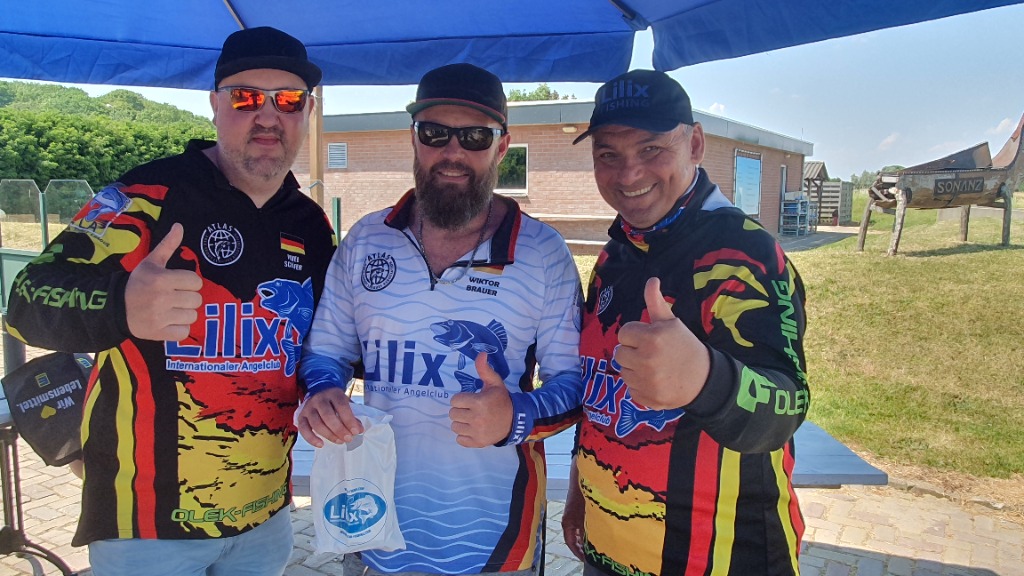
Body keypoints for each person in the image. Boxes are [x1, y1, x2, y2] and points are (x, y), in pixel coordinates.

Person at [6, 26, 336, 576]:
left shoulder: (310, 223)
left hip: (266, 520)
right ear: (215, 104)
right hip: (147, 526)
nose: (268, 115)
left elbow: (323, 340)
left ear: (306, 112)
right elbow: (24, 302)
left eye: (288, 100)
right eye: (246, 97)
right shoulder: (144, 198)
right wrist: (121, 304)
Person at [297, 63, 583, 576]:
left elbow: (578, 386)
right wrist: (322, 392)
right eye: (435, 133)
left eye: (475, 136)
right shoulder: (366, 239)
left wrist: (515, 416)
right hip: (372, 525)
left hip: (497, 541)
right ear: (414, 138)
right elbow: (326, 352)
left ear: (502, 146)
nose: (453, 152)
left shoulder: (544, 253)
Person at [562, 69, 809, 576]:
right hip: (607, 554)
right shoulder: (614, 256)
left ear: (695, 144)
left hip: (721, 560)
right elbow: (598, 400)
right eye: (608, 155)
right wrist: (578, 491)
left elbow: (788, 405)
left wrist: (705, 379)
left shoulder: (744, 254)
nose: (628, 174)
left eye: (651, 148)